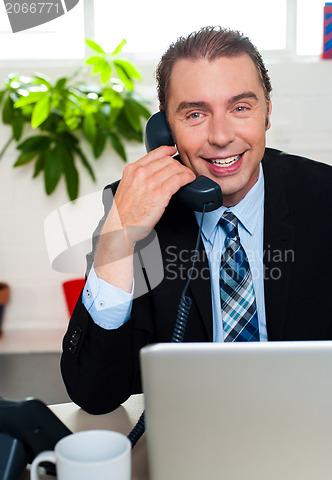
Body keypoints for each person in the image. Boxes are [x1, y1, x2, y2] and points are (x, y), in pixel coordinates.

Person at [61, 26, 332, 415]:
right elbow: (94, 393)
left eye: (240, 107)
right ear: (165, 130)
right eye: (195, 114)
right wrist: (118, 240)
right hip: (188, 433)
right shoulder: (134, 206)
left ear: (267, 112)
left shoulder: (324, 196)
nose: (221, 136)